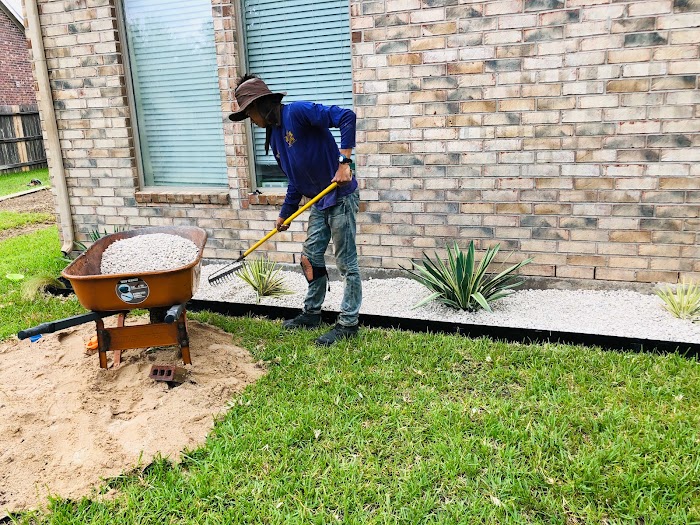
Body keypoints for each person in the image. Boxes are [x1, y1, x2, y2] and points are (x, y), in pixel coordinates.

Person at [229, 74, 362, 346]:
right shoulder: (275, 138)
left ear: (261, 105)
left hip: (340, 196)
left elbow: (347, 117)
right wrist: (285, 213)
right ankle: (312, 313)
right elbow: (295, 179)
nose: (251, 120)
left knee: (346, 263)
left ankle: (348, 323)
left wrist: (344, 162)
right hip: (319, 202)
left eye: (250, 113)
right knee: (309, 257)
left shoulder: (298, 112)